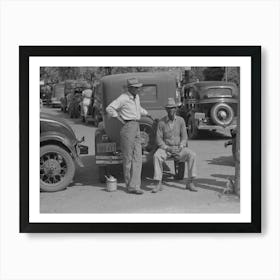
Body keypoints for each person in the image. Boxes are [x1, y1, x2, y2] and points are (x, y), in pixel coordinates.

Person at [106, 77, 148, 195]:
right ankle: (130, 185)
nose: (137, 89)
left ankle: (135, 185)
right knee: (128, 158)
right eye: (135, 88)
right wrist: (119, 118)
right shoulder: (124, 97)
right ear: (129, 88)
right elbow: (109, 108)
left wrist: (146, 113)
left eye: (138, 87)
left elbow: (138, 109)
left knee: (137, 157)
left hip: (136, 126)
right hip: (128, 127)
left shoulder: (136, 97)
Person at [152, 98, 198, 193]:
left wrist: (180, 147)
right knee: (156, 156)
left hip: (178, 148)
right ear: (166, 110)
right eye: (168, 108)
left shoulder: (181, 121)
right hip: (166, 148)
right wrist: (167, 148)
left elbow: (184, 137)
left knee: (192, 154)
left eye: (172, 108)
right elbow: (159, 139)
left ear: (176, 109)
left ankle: (190, 182)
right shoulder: (161, 122)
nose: (171, 110)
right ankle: (158, 183)